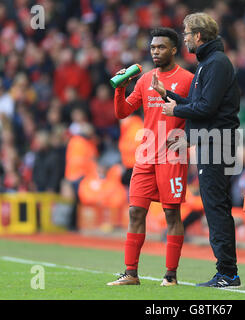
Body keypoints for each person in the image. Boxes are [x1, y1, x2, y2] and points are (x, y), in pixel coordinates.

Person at [151, 12, 241, 288]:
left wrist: (175, 108)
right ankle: (226, 271)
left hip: (216, 143)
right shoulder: (209, 62)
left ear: (198, 36)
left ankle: (227, 273)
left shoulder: (215, 63)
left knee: (216, 208)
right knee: (215, 207)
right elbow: (199, 102)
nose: (185, 38)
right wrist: (169, 95)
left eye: (187, 33)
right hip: (212, 141)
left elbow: (206, 108)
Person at [107, 27, 193, 287]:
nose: (156, 51)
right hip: (146, 155)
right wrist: (120, 89)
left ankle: (171, 276)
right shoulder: (144, 80)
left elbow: (203, 112)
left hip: (172, 155)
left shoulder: (187, 79)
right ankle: (131, 273)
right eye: (153, 47)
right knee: (135, 212)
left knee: (171, 214)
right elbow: (123, 112)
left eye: (161, 47)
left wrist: (188, 138)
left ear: (174, 50)